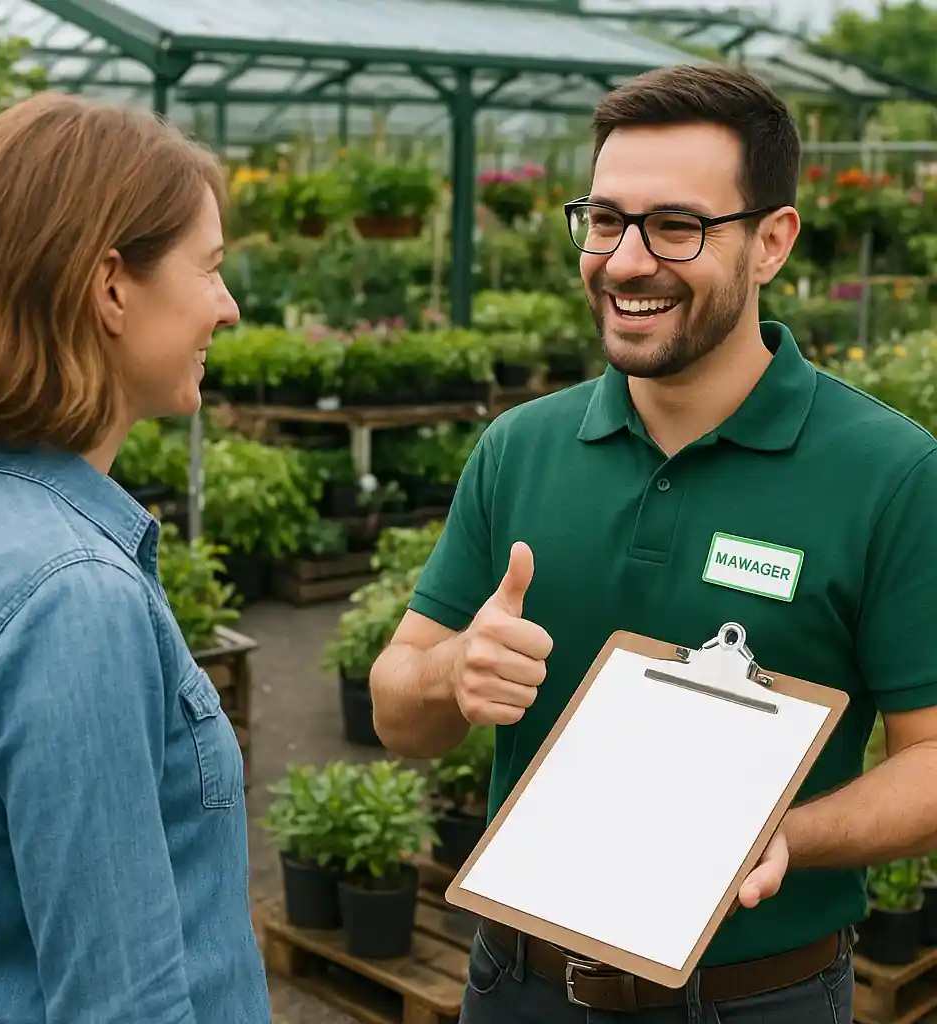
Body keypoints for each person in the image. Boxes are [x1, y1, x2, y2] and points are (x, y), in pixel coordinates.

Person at [370, 63, 937, 1024]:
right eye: (604, 220)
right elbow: (398, 709)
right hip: (517, 987)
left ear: (772, 242)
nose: (627, 260)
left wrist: (784, 834)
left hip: (759, 1000)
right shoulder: (521, 448)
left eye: (676, 227)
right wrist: (451, 674)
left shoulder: (888, 471)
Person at [0, 93, 271, 1024]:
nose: (227, 308)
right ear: (111, 286)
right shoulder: (72, 596)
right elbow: (125, 1004)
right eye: (210, 270)